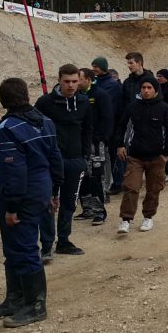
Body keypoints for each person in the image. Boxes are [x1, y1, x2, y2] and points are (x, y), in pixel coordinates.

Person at [0, 78, 62, 327]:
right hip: (41, 188)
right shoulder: (46, 121)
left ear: (3, 99)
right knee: (14, 245)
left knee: (23, 246)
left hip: (22, 192)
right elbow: (56, 158)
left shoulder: (8, 128)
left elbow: (15, 172)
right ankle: (16, 298)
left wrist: (12, 207)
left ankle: (35, 305)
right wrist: (54, 192)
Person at [36, 64, 91, 259]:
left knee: (69, 203)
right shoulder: (44, 103)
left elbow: (87, 131)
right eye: (67, 81)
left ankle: (64, 241)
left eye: (74, 81)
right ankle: (47, 245)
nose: (71, 85)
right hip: (51, 162)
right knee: (49, 202)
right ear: (59, 80)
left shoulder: (84, 103)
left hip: (75, 160)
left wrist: (85, 157)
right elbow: (37, 132)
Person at [115, 75, 168, 234]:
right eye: (143, 88)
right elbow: (121, 126)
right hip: (135, 156)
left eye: (149, 88)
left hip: (157, 157)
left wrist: (166, 154)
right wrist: (120, 145)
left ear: (155, 90)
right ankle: (126, 220)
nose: (146, 91)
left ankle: (148, 217)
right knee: (131, 187)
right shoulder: (132, 107)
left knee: (154, 189)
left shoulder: (164, 108)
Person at [75, 68, 112, 226]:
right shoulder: (76, 96)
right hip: (79, 143)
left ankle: (99, 212)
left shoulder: (100, 95)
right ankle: (87, 208)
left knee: (96, 176)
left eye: (80, 79)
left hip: (96, 144)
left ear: (89, 79)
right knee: (82, 176)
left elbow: (107, 118)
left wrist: (99, 138)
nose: (77, 82)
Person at [115, 53, 153, 193]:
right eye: (128, 63)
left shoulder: (149, 80)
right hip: (130, 120)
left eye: (131, 63)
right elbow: (123, 102)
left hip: (147, 120)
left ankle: (150, 183)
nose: (129, 65)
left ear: (139, 63)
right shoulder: (127, 82)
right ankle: (128, 182)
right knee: (127, 150)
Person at [90, 57, 121, 197]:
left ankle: (109, 184)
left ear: (103, 67)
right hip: (95, 126)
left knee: (108, 156)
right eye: (93, 66)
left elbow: (101, 102)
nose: (94, 69)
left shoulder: (112, 85)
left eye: (96, 66)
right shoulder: (97, 82)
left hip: (108, 126)